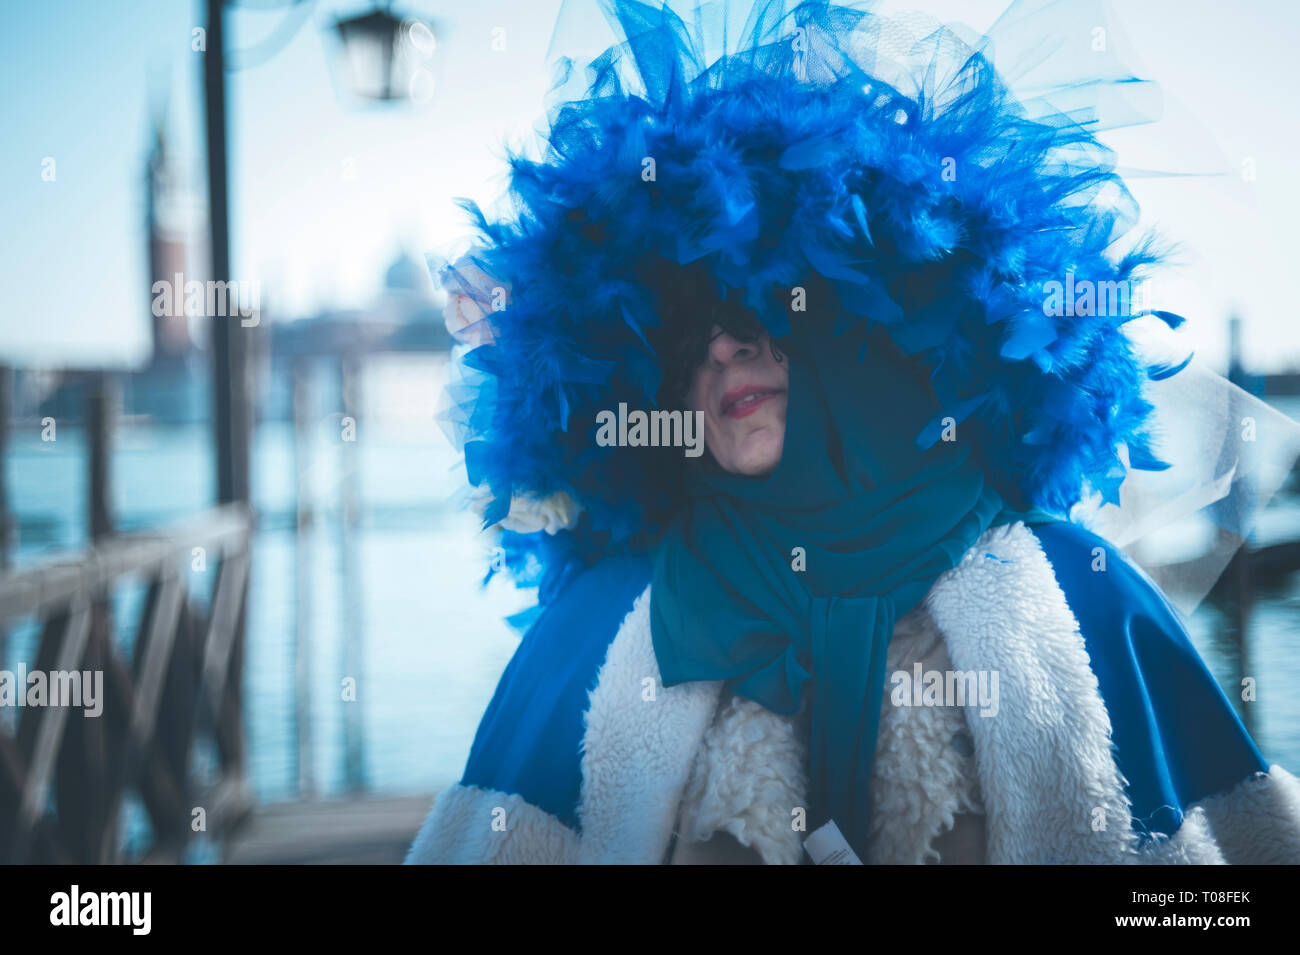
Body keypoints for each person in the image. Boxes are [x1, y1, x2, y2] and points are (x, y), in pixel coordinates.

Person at [407, 0, 1300, 864]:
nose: (722, 345)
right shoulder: (601, 628)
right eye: (685, 331)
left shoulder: (1082, 598)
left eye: (766, 302)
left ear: (875, 333)